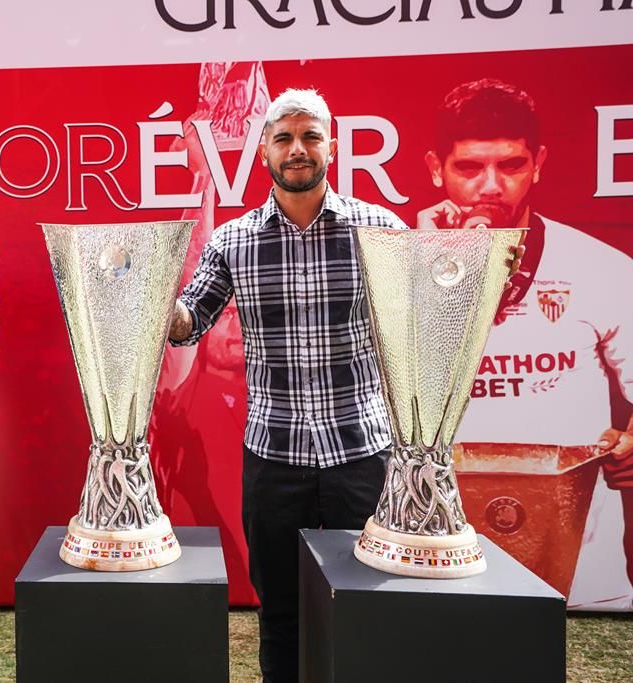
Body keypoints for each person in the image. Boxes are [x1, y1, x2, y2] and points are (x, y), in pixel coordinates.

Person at [167, 87, 409, 682]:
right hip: (274, 458)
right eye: (284, 138)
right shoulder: (234, 240)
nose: (297, 149)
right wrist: (148, 302)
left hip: (363, 455)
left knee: (370, 609)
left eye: (310, 136)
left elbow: (427, 318)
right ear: (265, 153)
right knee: (279, 615)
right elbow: (188, 322)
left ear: (332, 145)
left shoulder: (380, 230)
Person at [418, 78, 633, 607]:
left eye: (510, 165)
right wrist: (429, 267)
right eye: (469, 167)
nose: (490, 185)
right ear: (435, 168)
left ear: (537, 162)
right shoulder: (408, 270)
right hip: (449, 551)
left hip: (581, 568)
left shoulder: (600, 267)